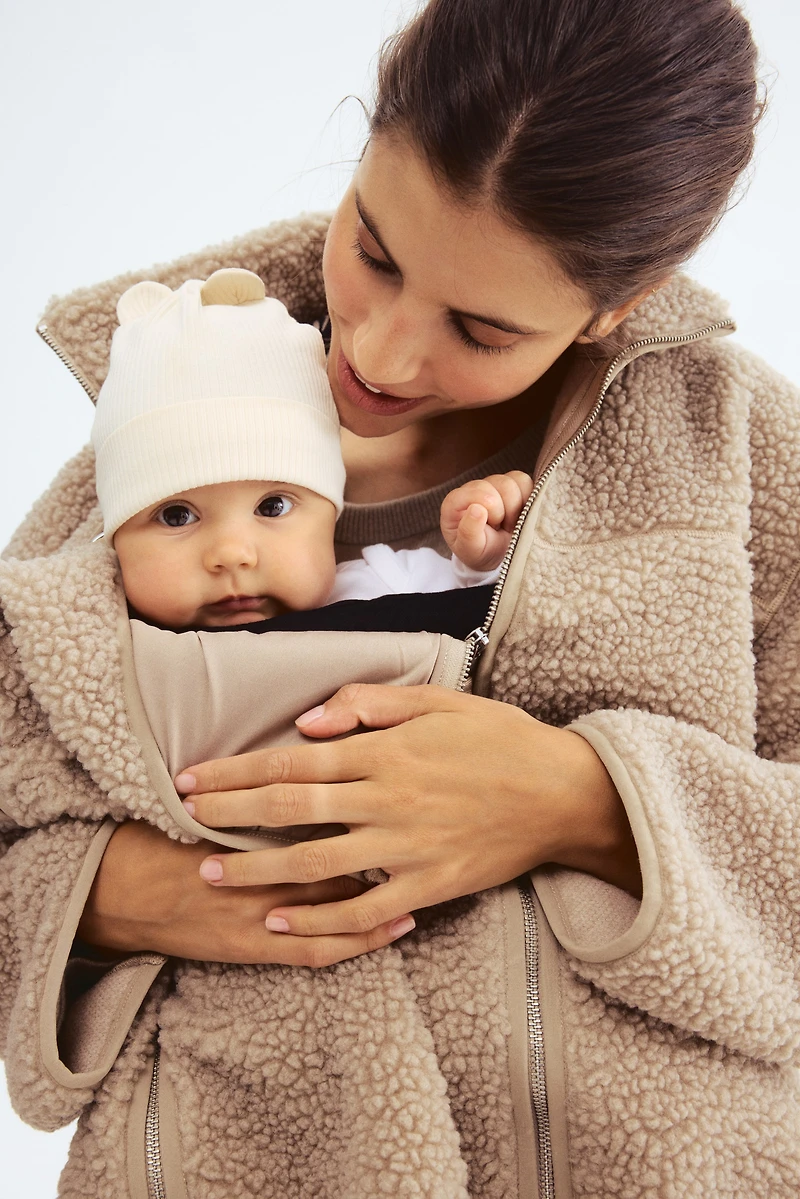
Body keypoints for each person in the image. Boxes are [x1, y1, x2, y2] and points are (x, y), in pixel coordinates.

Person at [2, 0, 799, 1195]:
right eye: (371, 247)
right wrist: (119, 895)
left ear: (615, 306)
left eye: (478, 327)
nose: (375, 352)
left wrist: (589, 801)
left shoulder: (728, 448)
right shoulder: (172, 431)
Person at [96, 265, 530, 628]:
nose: (232, 554)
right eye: (176, 515)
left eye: (273, 507)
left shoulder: (380, 590)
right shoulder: (111, 652)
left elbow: (493, 632)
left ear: (331, 514)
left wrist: (482, 562)